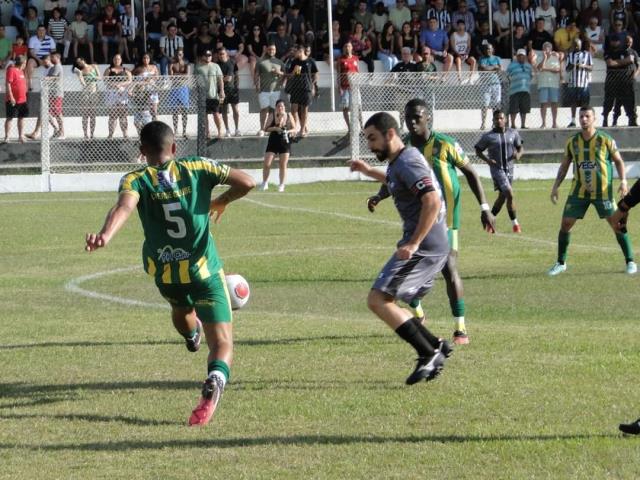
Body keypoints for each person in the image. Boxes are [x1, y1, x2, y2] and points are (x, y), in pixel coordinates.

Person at [85, 120, 255, 427]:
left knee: (180, 308)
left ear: (142, 152)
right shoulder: (197, 166)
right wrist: (222, 200)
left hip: (166, 273)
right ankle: (215, 378)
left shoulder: (135, 178)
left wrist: (105, 235)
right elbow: (247, 182)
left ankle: (191, 336)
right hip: (205, 271)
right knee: (223, 343)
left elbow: (123, 207)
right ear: (174, 147)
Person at [366, 99, 496, 344]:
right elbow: (398, 179)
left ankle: (460, 328)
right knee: (409, 274)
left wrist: (484, 207)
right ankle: (417, 315)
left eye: (418, 117)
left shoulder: (445, 144)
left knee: (449, 269)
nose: (413, 122)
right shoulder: (403, 149)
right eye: (408, 117)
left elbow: (470, 172)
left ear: (429, 118)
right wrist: (380, 195)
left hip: (447, 221)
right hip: (419, 221)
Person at [348, 112, 452, 385]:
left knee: (378, 299)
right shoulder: (399, 162)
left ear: (390, 134)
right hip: (428, 244)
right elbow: (395, 182)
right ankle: (436, 345)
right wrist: (368, 171)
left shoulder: (407, 162)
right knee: (387, 300)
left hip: (424, 245)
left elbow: (431, 201)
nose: (370, 145)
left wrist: (414, 242)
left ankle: (427, 352)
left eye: (373, 138)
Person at [548, 105, 636, 276]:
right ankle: (560, 263)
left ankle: (630, 261)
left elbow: (618, 161)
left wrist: (623, 181)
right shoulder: (572, 142)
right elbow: (565, 165)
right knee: (565, 224)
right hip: (579, 191)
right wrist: (555, 186)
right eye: (581, 116)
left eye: (587, 116)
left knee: (617, 225)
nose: (584, 119)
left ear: (594, 118)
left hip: (603, 192)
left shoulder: (605, 139)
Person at [475, 110, 523, 232]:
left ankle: (489, 221)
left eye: (501, 118)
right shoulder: (488, 136)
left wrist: (519, 154)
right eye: (496, 119)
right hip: (497, 170)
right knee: (509, 193)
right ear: (493, 121)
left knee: (502, 197)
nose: (499, 121)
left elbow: (520, 147)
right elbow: (478, 150)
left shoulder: (513, 133)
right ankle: (515, 224)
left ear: (505, 119)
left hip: (510, 169)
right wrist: (488, 160)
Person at [26, 52, 65, 140]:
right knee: (44, 112)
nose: (44, 63)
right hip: (49, 94)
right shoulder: (50, 68)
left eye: (52, 57)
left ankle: (61, 132)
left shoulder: (55, 67)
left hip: (55, 93)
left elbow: (52, 79)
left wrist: (46, 79)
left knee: (57, 113)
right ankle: (55, 130)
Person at [261, 99, 296, 192]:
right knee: (267, 163)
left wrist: (288, 131)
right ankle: (265, 183)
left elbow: (294, 128)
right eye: (278, 106)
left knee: (282, 164)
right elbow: (266, 128)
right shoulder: (272, 115)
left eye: (282, 106)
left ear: (285, 107)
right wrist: (276, 128)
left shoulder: (288, 115)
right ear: (276, 107)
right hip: (273, 140)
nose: (280, 108)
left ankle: (281, 185)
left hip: (284, 141)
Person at [285, 44, 318, 138]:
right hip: (295, 88)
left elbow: (315, 74)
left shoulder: (310, 61)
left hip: (306, 88)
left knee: (304, 109)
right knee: (293, 109)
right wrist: (294, 72)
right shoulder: (295, 62)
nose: (294, 53)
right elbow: (292, 76)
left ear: (301, 51)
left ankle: (302, 129)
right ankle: (294, 128)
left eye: (296, 51)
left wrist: (312, 85)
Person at [255, 43, 285, 136]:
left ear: (275, 50)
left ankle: (270, 128)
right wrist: (257, 86)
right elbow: (256, 75)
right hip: (263, 90)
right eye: (270, 49)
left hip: (276, 90)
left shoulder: (279, 62)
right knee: (264, 109)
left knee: (274, 110)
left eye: (273, 49)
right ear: (267, 50)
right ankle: (262, 129)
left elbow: (284, 74)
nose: (271, 51)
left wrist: (280, 77)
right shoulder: (260, 61)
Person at [195, 49, 225, 139]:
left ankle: (220, 132)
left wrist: (222, 91)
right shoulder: (198, 67)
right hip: (202, 95)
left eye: (210, 55)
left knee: (216, 114)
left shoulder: (216, 66)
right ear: (203, 56)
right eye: (206, 55)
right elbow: (195, 81)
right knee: (204, 116)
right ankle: (207, 133)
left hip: (213, 95)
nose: (208, 57)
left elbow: (220, 79)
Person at [565, 38, 592, 127]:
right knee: (573, 103)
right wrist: (572, 65)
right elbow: (567, 69)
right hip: (573, 83)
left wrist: (582, 66)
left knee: (585, 103)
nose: (576, 46)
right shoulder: (570, 55)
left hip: (583, 83)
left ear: (581, 45)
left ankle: (586, 121)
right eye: (575, 44)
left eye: (578, 44)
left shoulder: (587, 55)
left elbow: (591, 68)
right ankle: (573, 121)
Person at [104, 53, 132, 139]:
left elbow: (130, 80)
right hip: (112, 93)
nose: (117, 60)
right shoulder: (108, 70)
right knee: (112, 115)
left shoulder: (125, 69)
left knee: (123, 115)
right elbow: (105, 80)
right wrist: (114, 85)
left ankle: (125, 134)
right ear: (113, 60)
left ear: (121, 60)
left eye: (119, 59)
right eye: (115, 59)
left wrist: (120, 85)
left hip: (122, 92)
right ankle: (110, 134)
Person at [537, 41, 563, 129]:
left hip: (553, 84)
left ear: (551, 49)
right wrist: (544, 58)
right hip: (543, 83)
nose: (546, 49)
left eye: (548, 47)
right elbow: (539, 68)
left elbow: (557, 70)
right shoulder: (539, 57)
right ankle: (543, 123)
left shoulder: (555, 58)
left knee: (554, 103)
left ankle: (554, 123)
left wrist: (545, 69)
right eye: (545, 47)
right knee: (543, 103)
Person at [3, 55, 28, 144]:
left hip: (23, 100)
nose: (25, 64)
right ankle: (7, 137)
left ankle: (20, 136)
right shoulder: (11, 70)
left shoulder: (21, 71)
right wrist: (11, 97)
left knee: (21, 118)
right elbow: (8, 84)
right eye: (25, 63)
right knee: (10, 118)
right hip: (12, 100)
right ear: (23, 63)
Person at [74, 56, 100, 139]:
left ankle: (92, 134)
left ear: (83, 60)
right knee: (85, 114)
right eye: (78, 63)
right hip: (85, 92)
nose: (79, 63)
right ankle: (85, 134)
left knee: (93, 114)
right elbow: (82, 83)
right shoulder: (80, 71)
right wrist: (80, 75)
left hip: (94, 91)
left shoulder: (93, 66)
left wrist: (91, 77)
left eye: (79, 61)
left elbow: (99, 77)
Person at [507, 48, 533, 129]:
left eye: (523, 56)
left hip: (525, 90)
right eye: (520, 56)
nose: (521, 57)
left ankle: (523, 124)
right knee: (513, 109)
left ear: (525, 57)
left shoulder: (528, 66)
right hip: (514, 90)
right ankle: (513, 124)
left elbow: (531, 76)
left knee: (524, 109)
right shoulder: (512, 65)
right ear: (517, 56)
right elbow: (507, 75)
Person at [217, 48, 240, 137]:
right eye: (220, 54)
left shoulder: (232, 62)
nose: (221, 56)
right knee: (223, 110)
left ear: (226, 54)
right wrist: (222, 79)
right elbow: (219, 79)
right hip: (221, 91)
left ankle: (237, 129)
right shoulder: (217, 65)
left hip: (233, 90)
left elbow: (234, 76)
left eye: (223, 54)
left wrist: (237, 87)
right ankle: (227, 130)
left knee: (236, 110)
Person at [478, 43, 502, 129]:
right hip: (485, 84)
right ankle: (483, 123)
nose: (488, 50)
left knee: (496, 105)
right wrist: (494, 67)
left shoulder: (497, 58)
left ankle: (494, 123)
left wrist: (490, 68)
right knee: (485, 105)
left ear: (493, 49)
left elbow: (499, 69)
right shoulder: (482, 59)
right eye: (487, 49)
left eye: (490, 49)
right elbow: (483, 68)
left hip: (496, 84)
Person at [337, 41, 359, 135]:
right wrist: (339, 86)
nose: (347, 48)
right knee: (345, 108)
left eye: (349, 46)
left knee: (357, 107)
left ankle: (360, 127)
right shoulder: (340, 60)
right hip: (345, 87)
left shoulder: (355, 58)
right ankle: (349, 127)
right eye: (345, 46)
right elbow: (338, 73)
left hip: (354, 87)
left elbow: (358, 71)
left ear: (352, 48)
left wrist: (358, 83)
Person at [169, 48, 190, 139]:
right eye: (177, 54)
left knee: (185, 111)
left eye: (180, 54)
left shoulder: (186, 64)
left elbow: (187, 76)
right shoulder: (172, 64)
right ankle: (175, 131)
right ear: (175, 55)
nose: (179, 56)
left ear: (183, 55)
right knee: (175, 111)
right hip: (174, 89)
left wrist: (176, 75)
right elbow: (171, 77)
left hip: (183, 88)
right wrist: (181, 75)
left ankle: (184, 131)